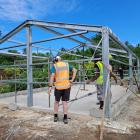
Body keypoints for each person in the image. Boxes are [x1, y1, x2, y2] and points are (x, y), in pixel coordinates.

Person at [48, 56, 77, 124]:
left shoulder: (54, 66)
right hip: (67, 86)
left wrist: (50, 87)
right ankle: (65, 118)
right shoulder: (66, 65)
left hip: (58, 87)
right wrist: (72, 80)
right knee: (64, 102)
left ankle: (55, 116)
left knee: (56, 102)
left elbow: (52, 77)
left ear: (55, 60)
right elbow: (75, 70)